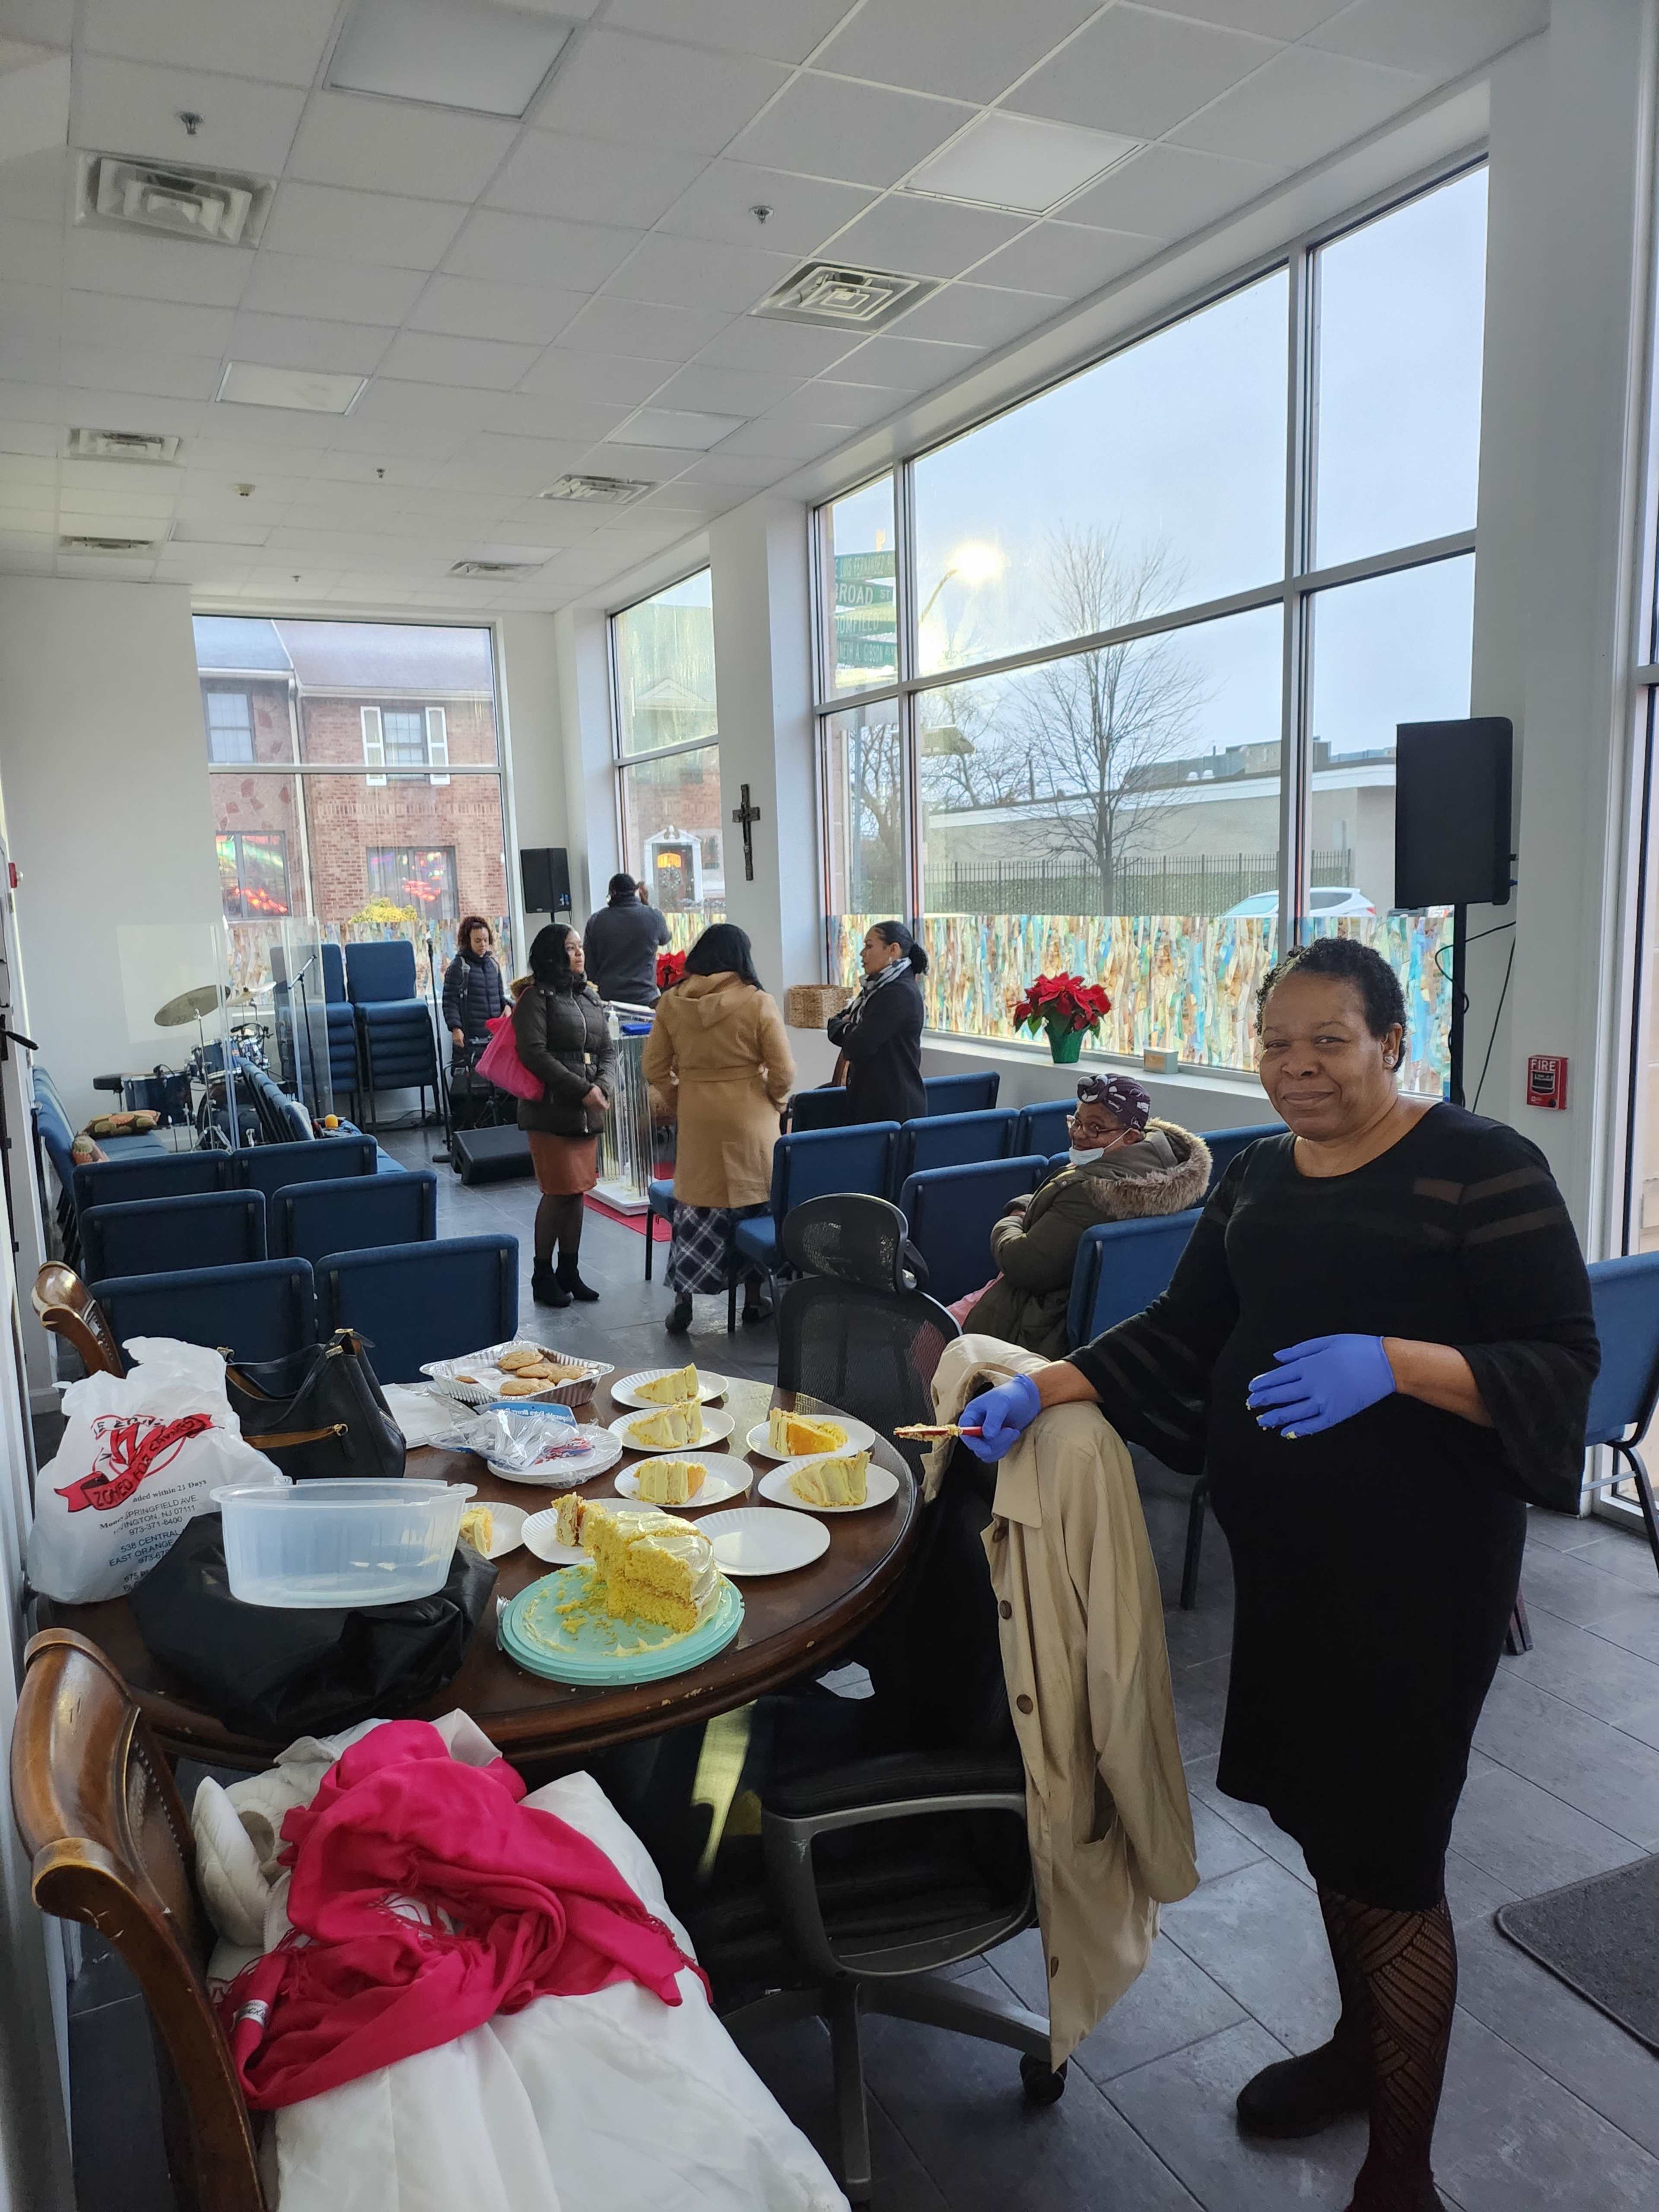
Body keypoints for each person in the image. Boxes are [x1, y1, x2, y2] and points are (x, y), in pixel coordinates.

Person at [955, 936, 1599, 2212]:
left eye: (1327, 1040)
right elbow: (1181, 1330)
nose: (1295, 1066)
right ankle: (1360, 2049)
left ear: (1388, 1042)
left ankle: (1401, 2171)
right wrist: (1042, 1381)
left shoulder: (1481, 1166)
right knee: (1325, 1821)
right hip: (1290, 1565)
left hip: (1419, 1574)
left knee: (1392, 1857)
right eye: (1275, 1043)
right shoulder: (1255, 1176)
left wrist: (1398, 1359)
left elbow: (1559, 1364)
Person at [959, 1074, 1210, 1356]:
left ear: (1131, 1136)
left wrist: (1014, 1216)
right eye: (1077, 1121)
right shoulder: (1160, 1166)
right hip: (1119, 1329)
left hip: (1040, 1325)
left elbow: (1021, 1263)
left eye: (1096, 1128)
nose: (1079, 1134)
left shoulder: (1091, 1193)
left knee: (927, 1340)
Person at [640, 921, 794, 1335]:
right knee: (753, 1200)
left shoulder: (672, 1003)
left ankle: (683, 1303)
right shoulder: (758, 1003)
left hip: (698, 1117)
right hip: (751, 1117)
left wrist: (682, 1098)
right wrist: (773, 1101)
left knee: (697, 1205)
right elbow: (783, 1070)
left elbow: (653, 1066)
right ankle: (755, 1299)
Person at [512, 923, 616, 1309]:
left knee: (577, 1194)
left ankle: (568, 1270)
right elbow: (534, 1055)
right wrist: (583, 1090)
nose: (579, 954)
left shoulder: (589, 997)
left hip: (587, 1111)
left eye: (580, 948)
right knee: (558, 1193)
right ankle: (543, 1274)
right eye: (570, 948)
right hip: (552, 1111)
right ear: (552, 954)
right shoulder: (535, 998)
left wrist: (602, 1087)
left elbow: (607, 1050)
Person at [826, 920, 927, 1125]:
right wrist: (849, 1029)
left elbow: (857, 1046)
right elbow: (835, 1023)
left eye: (869, 946)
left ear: (893, 950)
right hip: (872, 1101)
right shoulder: (875, 989)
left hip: (892, 1108)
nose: (863, 954)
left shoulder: (899, 993)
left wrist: (846, 1028)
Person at [583, 872, 671, 1008]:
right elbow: (666, 938)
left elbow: (590, 969)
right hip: (647, 1000)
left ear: (611, 894)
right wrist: (646, 904)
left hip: (610, 1001)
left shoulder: (596, 921)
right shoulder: (654, 917)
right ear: (635, 891)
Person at [441, 916, 506, 1058]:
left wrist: (508, 1007)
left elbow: (500, 997)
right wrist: (456, 1029)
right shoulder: (458, 967)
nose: (483, 944)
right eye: (478, 941)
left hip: (495, 1039)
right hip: (471, 1041)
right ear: (467, 942)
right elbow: (450, 1002)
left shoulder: (494, 965)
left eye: (486, 940)